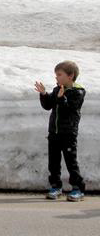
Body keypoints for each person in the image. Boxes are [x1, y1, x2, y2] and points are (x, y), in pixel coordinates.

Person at [35, 60, 86, 202]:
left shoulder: (78, 92)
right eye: (56, 75)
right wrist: (44, 94)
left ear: (71, 76)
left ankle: (78, 188)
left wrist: (61, 98)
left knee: (71, 162)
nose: (56, 77)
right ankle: (56, 186)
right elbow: (48, 105)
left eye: (59, 74)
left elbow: (69, 108)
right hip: (54, 133)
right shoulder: (58, 89)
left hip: (68, 133)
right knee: (53, 162)